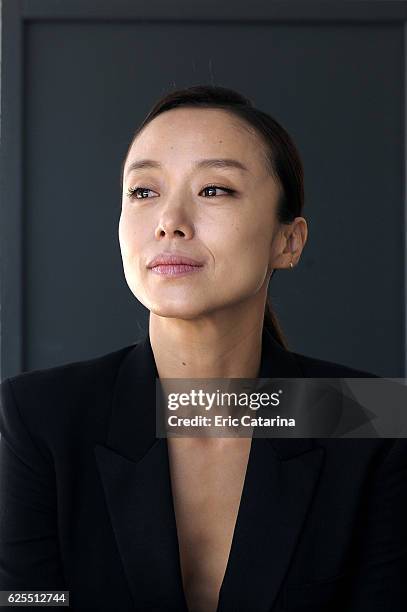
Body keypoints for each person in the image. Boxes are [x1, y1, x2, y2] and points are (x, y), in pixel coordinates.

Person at [0, 84, 406, 612]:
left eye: (214, 190)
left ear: (289, 241)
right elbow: (28, 603)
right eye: (144, 192)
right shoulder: (41, 418)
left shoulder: (366, 420)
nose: (170, 221)